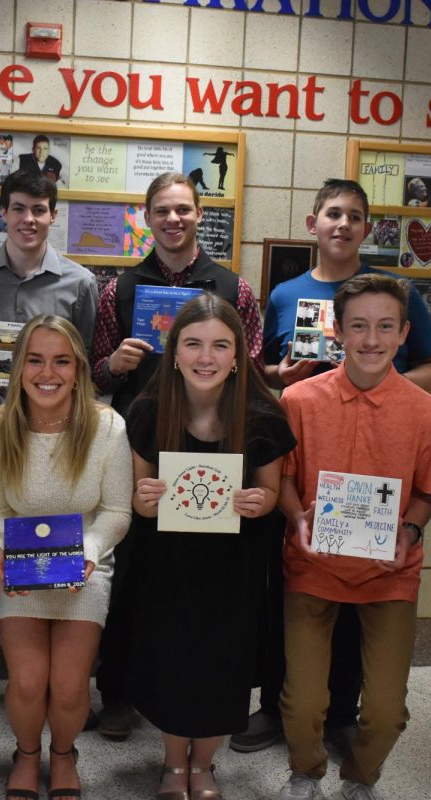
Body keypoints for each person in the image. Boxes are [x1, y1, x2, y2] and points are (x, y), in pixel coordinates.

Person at [247, 179, 431, 757]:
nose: (372, 336)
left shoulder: (401, 307)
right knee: (300, 677)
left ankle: (350, 740)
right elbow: (262, 372)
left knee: (376, 695)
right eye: (333, 213)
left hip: (385, 555)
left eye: (354, 215)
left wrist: (392, 402)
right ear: (314, 222)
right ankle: (301, 741)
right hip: (312, 523)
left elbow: (425, 491)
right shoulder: (285, 296)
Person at [92, 170, 266, 742]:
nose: (173, 219)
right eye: (162, 210)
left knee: (200, 583)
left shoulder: (233, 288)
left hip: (212, 446)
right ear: (146, 216)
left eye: (184, 210)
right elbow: (93, 373)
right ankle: (117, 691)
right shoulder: (118, 288)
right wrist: (114, 363)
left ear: (199, 215)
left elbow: (254, 367)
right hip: (139, 443)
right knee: (131, 566)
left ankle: (201, 694)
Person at [275, 273, 431, 800]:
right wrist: (295, 519)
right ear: (338, 332)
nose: (371, 340)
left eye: (385, 327)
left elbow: (425, 493)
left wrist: (410, 531)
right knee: (303, 700)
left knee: (387, 711)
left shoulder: (427, 413)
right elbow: (282, 477)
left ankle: (361, 778)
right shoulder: (299, 400)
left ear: (403, 334)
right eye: (359, 327)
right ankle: (304, 773)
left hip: (390, 572)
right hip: (312, 563)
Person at [0, 169, 98, 733]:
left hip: (59, 446)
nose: (28, 219)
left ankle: (59, 679)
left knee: (58, 546)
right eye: (17, 208)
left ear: (53, 214)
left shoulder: (80, 283)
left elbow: (83, 368)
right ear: (1, 214)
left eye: (39, 208)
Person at [128, 293, 295, 800]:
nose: (206, 357)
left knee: (224, 663)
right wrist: (147, 498)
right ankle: (174, 763)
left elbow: (271, 494)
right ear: (173, 352)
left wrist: (258, 501)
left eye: (221, 345)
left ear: (239, 354)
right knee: (172, 661)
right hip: (169, 565)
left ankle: (205, 764)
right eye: (193, 344)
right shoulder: (148, 411)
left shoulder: (263, 414)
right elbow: (138, 500)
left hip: (234, 568)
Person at [0, 315, 132, 800]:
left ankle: (63, 754)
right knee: (25, 681)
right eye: (36, 360)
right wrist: (0, 549)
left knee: (66, 685)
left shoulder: (107, 426)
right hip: (17, 564)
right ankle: (25, 753)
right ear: (18, 367)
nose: (49, 372)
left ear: (79, 368)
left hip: (84, 564)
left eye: (62, 360)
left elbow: (116, 511)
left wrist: (87, 553)